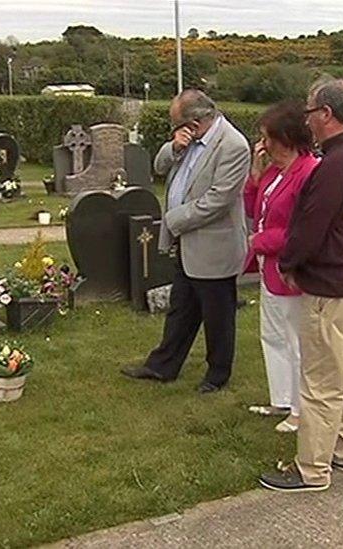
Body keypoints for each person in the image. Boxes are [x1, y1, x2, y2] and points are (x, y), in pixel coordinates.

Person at [259, 78, 343, 493]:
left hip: (335, 287)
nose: (308, 121)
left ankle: (311, 469)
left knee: (321, 382)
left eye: (311, 113)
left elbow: (311, 227)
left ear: (327, 115)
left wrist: (291, 264)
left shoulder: (335, 166)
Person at [122, 90, 251, 393]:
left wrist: (173, 219)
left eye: (177, 124)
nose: (175, 130)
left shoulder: (233, 145)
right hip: (188, 242)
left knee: (217, 314)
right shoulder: (189, 140)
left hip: (214, 245)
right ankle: (162, 366)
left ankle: (217, 375)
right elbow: (159, 167)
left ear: (196, 121)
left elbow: (218, 200)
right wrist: (174, 147)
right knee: (182, 308)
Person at [243, 102, 320, 432]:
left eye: (266, 137)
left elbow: (299, 229)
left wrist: (259, 242)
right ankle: (282, 399)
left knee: (295, 340)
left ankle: (302, 409)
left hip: (290, 269)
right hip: (268, 270)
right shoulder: (274, 172)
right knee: (272, 334)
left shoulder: (308, 172)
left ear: (284, 137)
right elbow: (254, 208)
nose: (262, 144)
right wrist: (255, 174)